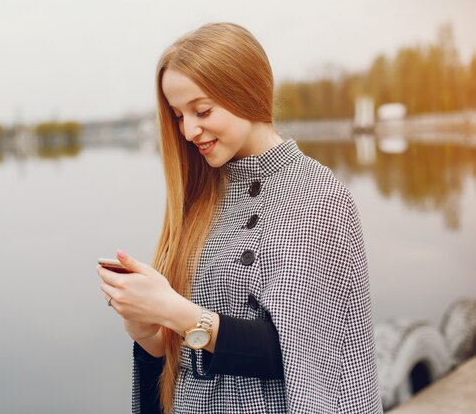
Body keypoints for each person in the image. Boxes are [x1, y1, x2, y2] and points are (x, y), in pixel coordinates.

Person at [97, 22, 382, 414]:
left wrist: (175, 311)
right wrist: (148, 333)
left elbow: (305, 355)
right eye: (179, 115)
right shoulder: (200, 199)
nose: (188, 130)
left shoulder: (319, 197)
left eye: (201, 110)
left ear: (246, 93)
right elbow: (179, 370)